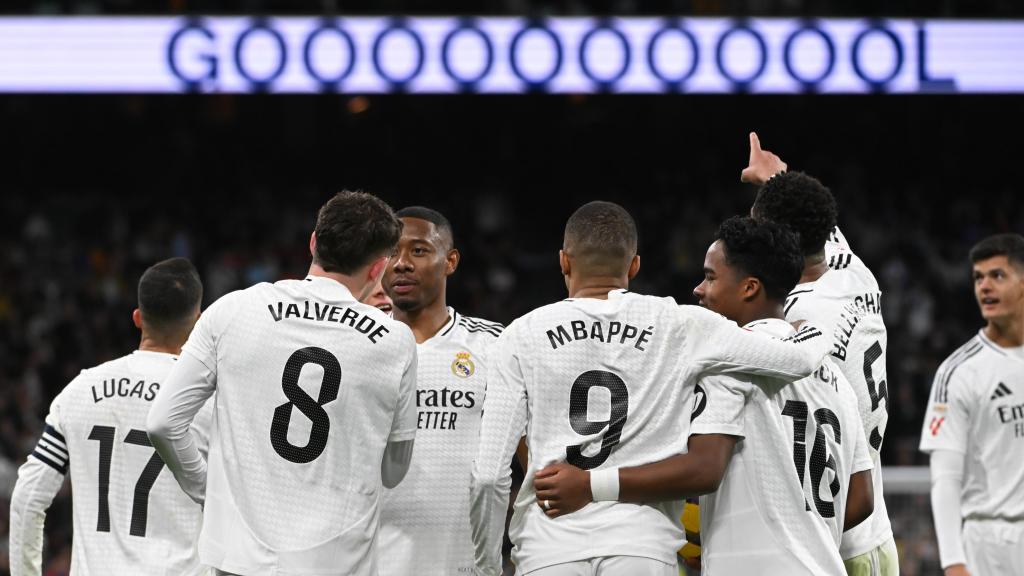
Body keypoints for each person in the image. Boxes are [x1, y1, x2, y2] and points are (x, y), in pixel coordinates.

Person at [470, 201, 832, 576]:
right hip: (642, 547)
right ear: (634, 266)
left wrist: (485, 566)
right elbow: (797, 361)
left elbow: (488, 476)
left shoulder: (518, 336)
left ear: (563, 261)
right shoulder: (680, 324)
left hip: (549, 548)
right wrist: (816, 329)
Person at [146, 191, 417, 576]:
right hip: (337, 561)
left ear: (313, 243)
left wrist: (205, 490)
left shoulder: (233, 310)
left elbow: (162, 423)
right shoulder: (395, 342)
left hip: (236, 556)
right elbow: (393, 471)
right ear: (378, 268)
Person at [742, 134, 898, 575]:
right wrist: (776, 176)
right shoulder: (853, 272)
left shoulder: (795, 324)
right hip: (876, 533)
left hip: (833, 540)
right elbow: (811, 216)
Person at [10, 257, 211, 575]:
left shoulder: (78, 391)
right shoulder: (210, 402)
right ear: (199, 322)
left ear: (137, 318)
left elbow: (27, 497)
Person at [377, 206, 504, 575]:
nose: (401, 263)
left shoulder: (493, 345)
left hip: (464, 562)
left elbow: (527, 458)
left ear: (450, 261)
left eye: (418, 250)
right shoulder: (356, 345)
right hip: (370, 561)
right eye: (392, 252)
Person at [919, 233, 1024, 576]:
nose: (984, 287)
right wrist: (953, 562)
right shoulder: (958, 372)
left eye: (997, 275)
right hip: (990, 545)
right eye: (978, 278)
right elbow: (945, 478)